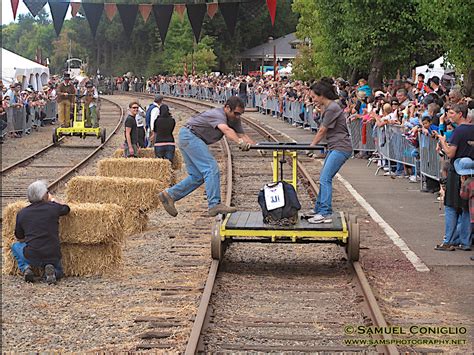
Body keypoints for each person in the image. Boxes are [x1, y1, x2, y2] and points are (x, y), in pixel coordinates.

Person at [158, 96, 255, 217]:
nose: (237, 116)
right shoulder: (218, 114)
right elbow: (226, 130)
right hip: (190, 136)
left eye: (240, 114)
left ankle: (170, 195)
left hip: (188, 137)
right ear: (227, 108)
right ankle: (214, 204)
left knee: (197, 176)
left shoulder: (235, 119)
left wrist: (257, 147)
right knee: (211, 168)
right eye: (235, 113)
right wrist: (239, 142)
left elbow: (242, 135)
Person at [307, 78, 353, 224]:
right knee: (324, 177)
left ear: (321, 95)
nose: (312, 100)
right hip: (334, 147)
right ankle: (318, 208)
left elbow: (322, 130)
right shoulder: (328, 108)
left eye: (314, 97)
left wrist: (312, 145)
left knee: (325, 178)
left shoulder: (332, 108)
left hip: (341, 147)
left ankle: (325, 212)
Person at [11, 180, 70, 284]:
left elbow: (19, 237)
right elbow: (66, 208)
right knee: (59, 271)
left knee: (15, 246)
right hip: (52, 254)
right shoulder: (53, 208)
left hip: (32, 255)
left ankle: (26, 268)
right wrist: (53, 200)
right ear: (44, 196)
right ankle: (52, 272)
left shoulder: (22, 213)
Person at [435, 104, 474, 251]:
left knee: (451, 206)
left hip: (457, 170)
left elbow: (451, 153)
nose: (449, 116)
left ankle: (448, 240)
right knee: (465, 208)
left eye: (452, 113)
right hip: (471, 172)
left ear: (460, 114)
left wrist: (443, 142)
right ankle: (465, 241)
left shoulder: (459, 131)